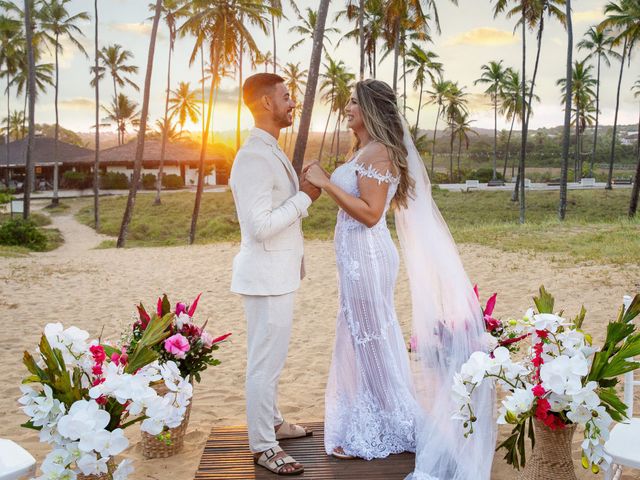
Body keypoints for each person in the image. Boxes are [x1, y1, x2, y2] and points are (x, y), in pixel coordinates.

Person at [304, 79, 496, 479]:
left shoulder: (381, 153)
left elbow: (372, 213)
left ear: (371, 108)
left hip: (367, 257)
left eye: (354, 103)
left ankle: (390, 423)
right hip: (356, 258)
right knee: (360, 335)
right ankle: (374, 419)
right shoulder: (365, 150)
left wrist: (325, 183)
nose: (346, 108)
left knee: (369, 336)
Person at [229, 73, 321, 476]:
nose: (291, 103)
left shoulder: (271, 149)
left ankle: (273, 421)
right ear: (266, 103)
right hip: (265, 277)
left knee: (273, 360)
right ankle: (263, 445)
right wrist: (306, 197)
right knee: (263, 364)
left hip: (278, 275)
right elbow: (259, 226)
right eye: (286, 97)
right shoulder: (252, 155)